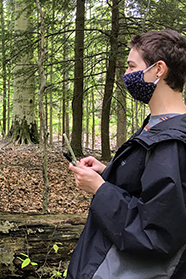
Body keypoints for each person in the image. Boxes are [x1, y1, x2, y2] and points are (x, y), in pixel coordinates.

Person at [67, 29, 186, 278]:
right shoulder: (157, 125)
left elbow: (157, 234)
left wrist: (100, 189)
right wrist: (107, 171)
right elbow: (147, 188)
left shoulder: (171, 143)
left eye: (132, 67)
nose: (126, 75)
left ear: (159, 69)